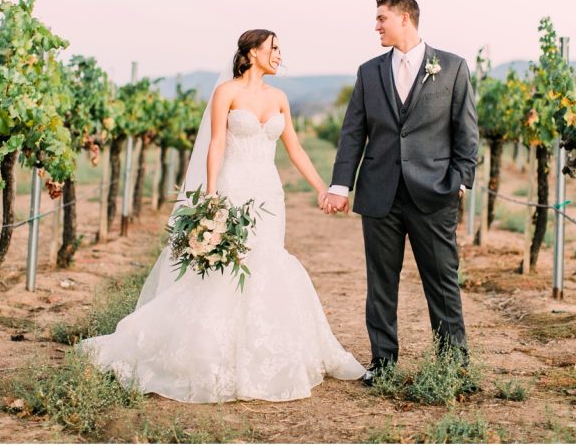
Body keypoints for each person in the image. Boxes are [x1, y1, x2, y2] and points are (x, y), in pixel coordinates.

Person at [77, 29, 365, 403]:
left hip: (268, 194)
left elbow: (293, 148)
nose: (279, 55)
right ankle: (212, 352)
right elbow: (214, 144)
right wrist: (211, 195)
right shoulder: (226, 93)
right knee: (229, 266)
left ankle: (263, 353)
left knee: (267, 261)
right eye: (273, 48)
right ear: (251, 52)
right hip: (233, 187)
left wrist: (321, 188)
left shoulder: (280, 98)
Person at [323, 0, 479, 386]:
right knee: (381, 284)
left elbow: (466, 131)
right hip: (380, 193)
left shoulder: (453, 67)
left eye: (382, 18)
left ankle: (452, 364)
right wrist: (341, 184)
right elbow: (353, 132)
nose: (376, 26)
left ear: (405, 18)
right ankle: (383, 363)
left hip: (434, 193)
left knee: (442, 280)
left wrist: (460, 181)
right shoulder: (369, 72)